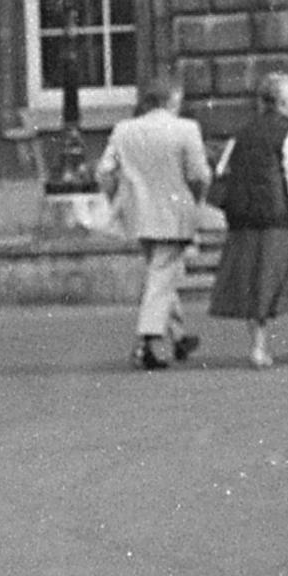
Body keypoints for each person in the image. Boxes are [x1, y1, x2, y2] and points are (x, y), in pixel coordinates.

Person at [206, 71, 288, 369]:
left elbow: (222, 175)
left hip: (244, 221)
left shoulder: (241, 134)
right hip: (280, 219)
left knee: (255, 283)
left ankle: (259, 347)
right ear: (285, 102)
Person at [96, 77, 212, 370]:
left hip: (139, 214)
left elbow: (105, 171)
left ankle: (179, 335)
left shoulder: (124, 130)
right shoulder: (186, 129)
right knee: (162, 275)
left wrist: (118, 201)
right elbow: (200, 175)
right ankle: (146, 341)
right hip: (174, 213)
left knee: (160, 274)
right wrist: (195, 201)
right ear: (172, 99)